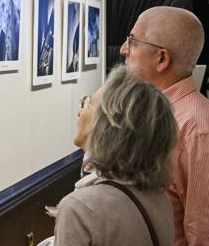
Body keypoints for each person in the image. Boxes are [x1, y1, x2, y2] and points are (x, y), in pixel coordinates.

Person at [120, 6, 209, 246]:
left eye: (133, 42)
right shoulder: (153, 114)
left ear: (161, 59)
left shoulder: (199, 130)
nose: (123, 50)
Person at [53, 65, 177, 246]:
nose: (80, 112)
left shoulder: (80, 208)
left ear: (105, 125)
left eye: (88, 103)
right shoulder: (158, 196)